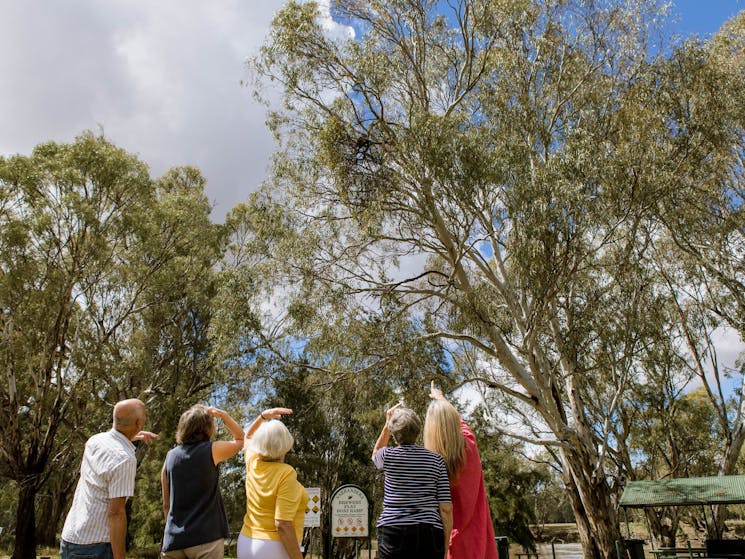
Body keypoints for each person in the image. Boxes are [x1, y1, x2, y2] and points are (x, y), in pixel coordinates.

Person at [61, 398, 158, 559]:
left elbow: (111, 441)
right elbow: (116, 513)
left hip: (70, 539)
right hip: (95, 547)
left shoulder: (94, 441)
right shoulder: (125, 460)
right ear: (139, 423)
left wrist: (133, 436)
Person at [424, 382, 498, 559]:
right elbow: (462, 424)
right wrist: (441, 398)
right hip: (479, 540)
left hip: (450, 545)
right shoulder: (470, 444)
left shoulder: (433, 464)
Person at [161, 405, 245, 559]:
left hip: (173, 541)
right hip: (206, 538)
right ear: (207, 428)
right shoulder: (211, 450)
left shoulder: (169, 457)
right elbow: (240, 439)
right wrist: (225, 416)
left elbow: (166, 504)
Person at [372, 403, 453, 559]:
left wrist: (386, 426)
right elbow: (446, 508)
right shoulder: (436, 460)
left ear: (394, 433)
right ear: (418, 430)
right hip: (429, 532)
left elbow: (375, 453)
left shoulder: (387, 456)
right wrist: (445, 545)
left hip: (392, 530)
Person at [238, 407, 308, 559]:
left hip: (246, 543)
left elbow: (248, 436)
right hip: (273, 548)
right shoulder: (286, 473)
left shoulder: (252, 462)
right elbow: (282, 523)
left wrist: (262, 416)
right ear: (285, 444)